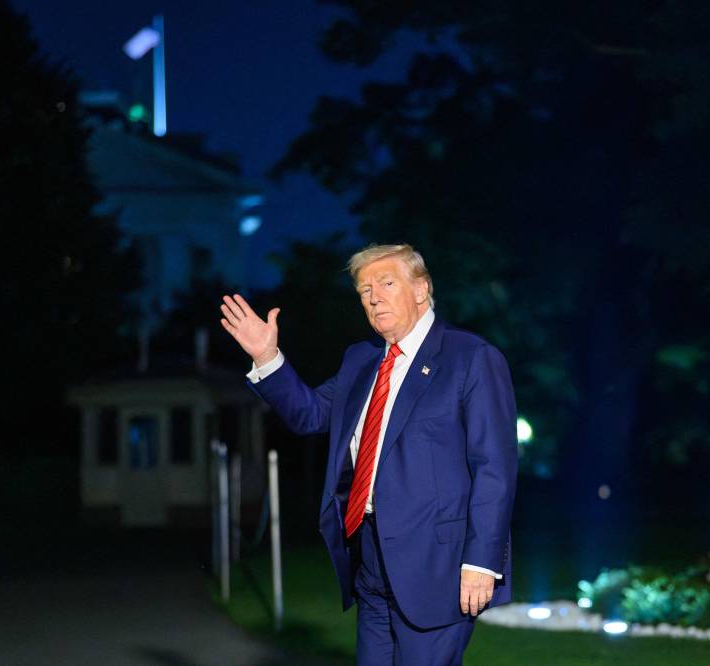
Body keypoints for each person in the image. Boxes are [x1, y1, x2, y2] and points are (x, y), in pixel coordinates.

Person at [219, 243, 517, 665]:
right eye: (363, 290)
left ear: (421, 289)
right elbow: (308, 415)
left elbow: (495, 469)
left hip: (439, 565)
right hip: (369, 560)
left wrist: (482, 563)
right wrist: (267, 357)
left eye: (386, 283)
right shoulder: (361, 361)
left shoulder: (470, 358)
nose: (373, 296)